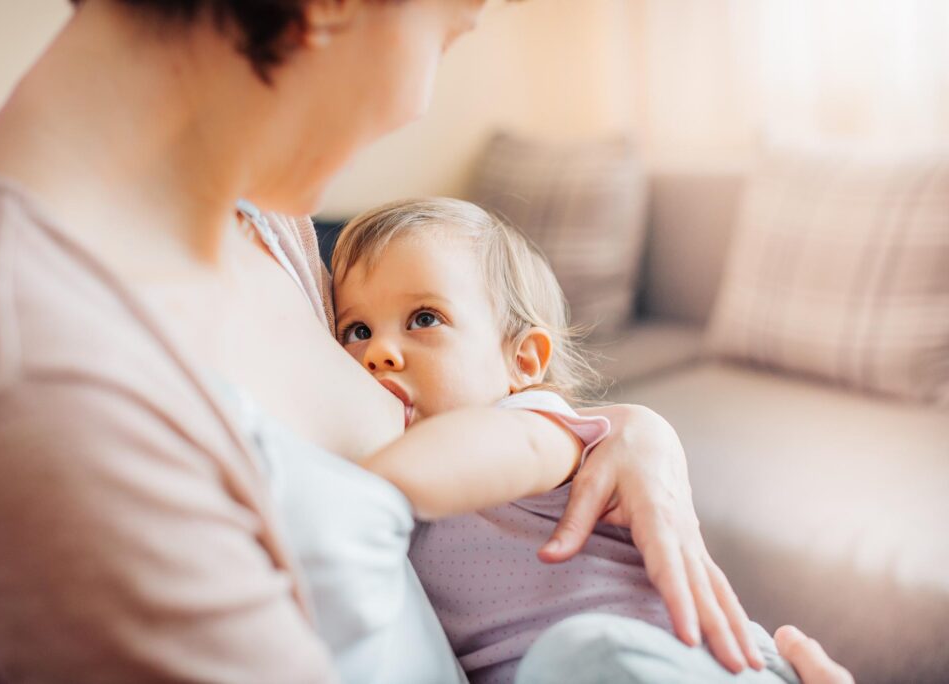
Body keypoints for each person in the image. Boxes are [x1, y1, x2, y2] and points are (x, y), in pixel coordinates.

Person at [0, 0, 851, 682]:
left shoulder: (263, 223)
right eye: (449, 32)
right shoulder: (40, 386)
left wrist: (636, 435)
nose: (419, 103)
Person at [325, 197, 797, 684]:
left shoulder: (539, 427)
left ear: (523, 361)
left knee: (578, 654)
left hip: (692, 660)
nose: (378, 352)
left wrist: (347, 487)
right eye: (357, 330)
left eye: (424, 319)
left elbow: (458, 459)